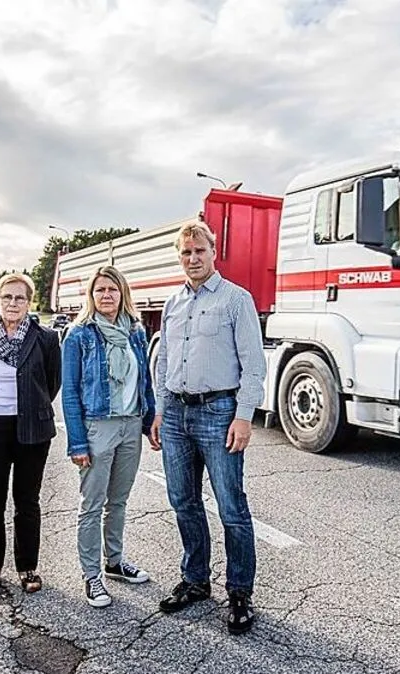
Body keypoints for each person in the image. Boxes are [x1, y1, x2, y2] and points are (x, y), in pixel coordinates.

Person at [151, 222, 267, 635]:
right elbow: (164, 361)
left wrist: (243, 415)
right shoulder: (172, 303)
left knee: (232, 509)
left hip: (219, 412)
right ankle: (196, 580)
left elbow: (254, 364)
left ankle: (239, 593)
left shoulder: (237, 300)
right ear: (179, 257)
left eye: (199, 250)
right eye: (185, 253)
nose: (193, 258)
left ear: (213, 251)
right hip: (178, 414)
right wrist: (161, 410)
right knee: (183, 501)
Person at [61, 266, 157, 608]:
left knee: (118, 501)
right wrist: (77, 442)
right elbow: (70, 392)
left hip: (130, 424)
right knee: (92, 505)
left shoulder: (135, 332)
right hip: (97, 427)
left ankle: (114, 562)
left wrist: (150, 421)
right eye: (100, 289)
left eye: (112, 290)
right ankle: (92, 576)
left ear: (122, 294)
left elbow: (144, 380)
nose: (106, 295)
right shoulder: (79, 335)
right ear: (91, 294)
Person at [0, 273, 61, 597]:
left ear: (29, 302)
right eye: (7, 297)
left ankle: (27, 567)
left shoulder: (46, 338)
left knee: (27, 501)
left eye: (20, 298)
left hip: (31, 430)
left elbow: (52, 384)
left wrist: (31, 409)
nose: (13, 303)